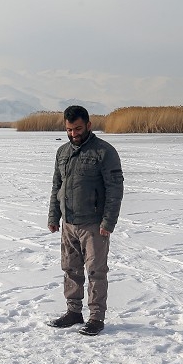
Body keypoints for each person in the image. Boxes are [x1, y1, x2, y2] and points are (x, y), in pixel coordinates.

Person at [47, 105, 124, 336]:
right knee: (70, 269)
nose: (73, 134)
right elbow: (57, 186)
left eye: (78, 129)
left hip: (94, 225)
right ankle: (73, 312)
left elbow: (115, 190)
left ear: (89, 125)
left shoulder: (104, 152)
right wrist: (54, 216)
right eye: (69, 129)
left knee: (96, 271)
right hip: (69, 223)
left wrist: (108, 222)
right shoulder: (62, 152)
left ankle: (96, 317)